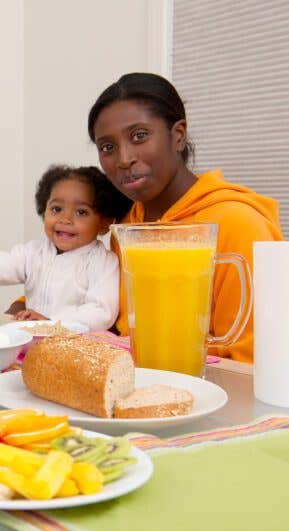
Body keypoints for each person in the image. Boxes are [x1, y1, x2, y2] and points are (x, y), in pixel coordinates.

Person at [88, 72, 284, 362]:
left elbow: (257, 357)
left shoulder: (237, 222)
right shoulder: (128, 224)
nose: (123, 158)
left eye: (139, 136)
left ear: (177, 135)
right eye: (107, 147)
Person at [0, 164, 132, 331]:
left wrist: (52, 323)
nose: (65, 219)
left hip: (75, 347)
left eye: (81, 212)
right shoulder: (33, 253)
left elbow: (101, 312)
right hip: (32, 341)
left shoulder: (103, 262)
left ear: (104, 223)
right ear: (44, 210)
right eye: (56, 209)